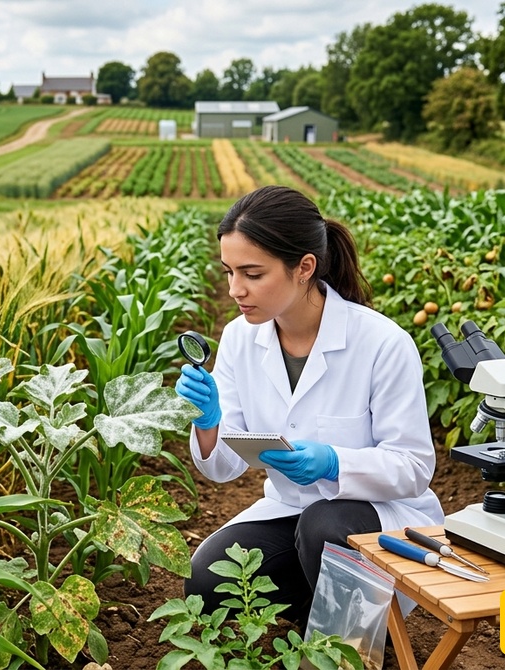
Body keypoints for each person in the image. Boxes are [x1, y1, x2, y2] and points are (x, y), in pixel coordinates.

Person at [174, 185, 443, 627]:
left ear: (304, 267)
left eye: (253, 274)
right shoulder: (242, 338)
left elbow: (413, 467)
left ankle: (362, 641)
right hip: (290, 510)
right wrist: (209, 422)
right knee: (207, 580)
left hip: (378, 515)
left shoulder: (382, 343)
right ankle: (318, 619)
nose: (235, 290)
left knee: (324, 524)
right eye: (228, 272)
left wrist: (335, 463)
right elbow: (223, 469)